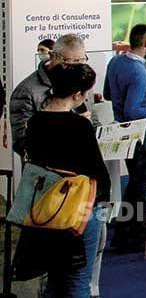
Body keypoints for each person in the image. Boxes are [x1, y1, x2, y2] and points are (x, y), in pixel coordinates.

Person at [15, 62, 110, 298]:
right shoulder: (80, 125)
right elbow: (97, 171)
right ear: (77, 94)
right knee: (78, 281)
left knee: (55, 280)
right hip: (78, 208)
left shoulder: (35, 122)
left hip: (44, 208)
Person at [104, 24, 146, 252]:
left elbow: (108, 93)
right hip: (140, 133)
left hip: (123, 132)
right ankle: (132, 236)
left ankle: (124, 233)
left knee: (135, 184)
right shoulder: (140, 72)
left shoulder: (115, 62)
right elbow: (133, 110)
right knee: (140, 186)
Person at [10, 33, 87, 157]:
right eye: (68, 62)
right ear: (52, 56)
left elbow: (93, 120)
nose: (75, 68)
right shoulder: (26, 91)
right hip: (47, 166)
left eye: (80, 61)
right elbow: (21, 143)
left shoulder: (81, 80)